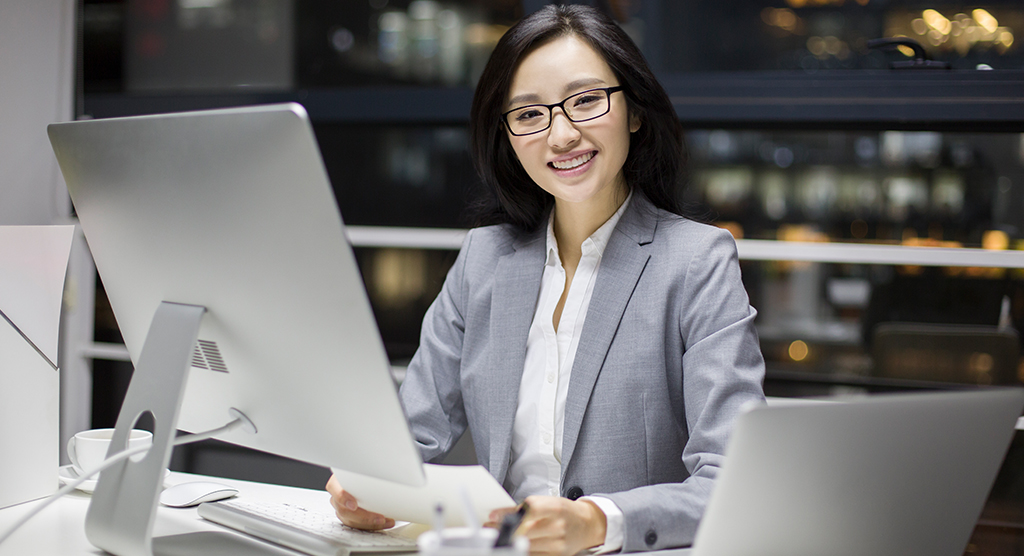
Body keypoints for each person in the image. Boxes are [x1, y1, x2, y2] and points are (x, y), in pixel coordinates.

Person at [327, 5, 765, 554]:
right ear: (508, 135)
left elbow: (732, 478)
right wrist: (364, 485)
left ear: (634, 111)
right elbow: (406, 439)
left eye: (585, 101)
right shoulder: (483, 259)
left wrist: (598, 522)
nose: (560, 135)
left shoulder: (698, 261)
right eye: (529, 114)